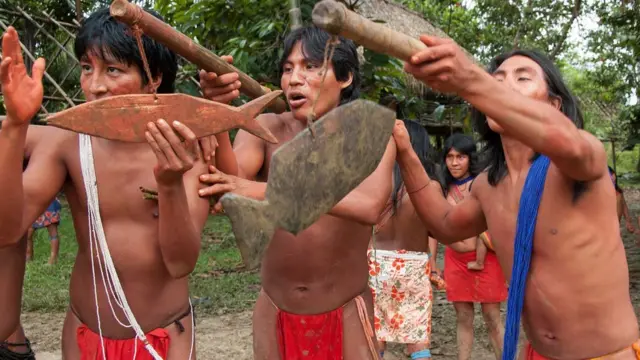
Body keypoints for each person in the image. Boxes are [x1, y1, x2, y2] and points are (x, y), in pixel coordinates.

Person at [0, 6, 235, 358]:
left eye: (113, 70)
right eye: (86, 68)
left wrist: (170, 184)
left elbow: (180, 263)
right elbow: (7, 230)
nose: (95, 86)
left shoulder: (192, 147)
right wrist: (16, 126)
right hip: (83, 335)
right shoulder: (68, 144)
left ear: (154, 77)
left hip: (166, 339)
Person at [394, 35, 639, 359]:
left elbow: (566, 141)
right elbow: (443, 224)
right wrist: (405, 152)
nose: (503, 89)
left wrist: (473, 81)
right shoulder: (487, 185)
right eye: (496, 82)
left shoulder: (583, 159)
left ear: (554, 105)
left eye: (522, 78)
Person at [198, 25, 396, 359]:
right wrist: (220, 116)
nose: (293, 79)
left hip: (347, 311)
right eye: (287, 69)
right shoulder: (264, 128)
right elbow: (228, 183)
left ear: (345, 77)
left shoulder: (369, 137)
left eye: (310, 67)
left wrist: (266, 191)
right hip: (274, 310)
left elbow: (369, 207)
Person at [367, 118, 442, 359]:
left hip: (375, 265)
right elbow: (438, 230)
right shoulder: (430, 188)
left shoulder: (378, 185)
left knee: (375, 337)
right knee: (417, 339)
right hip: (413, 266)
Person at [438, 133, 506, 360]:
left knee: (492, 316)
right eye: (450, 157)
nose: (454, 163)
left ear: (471, 158)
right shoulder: (440, 187)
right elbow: (432, 224)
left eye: (461, 157)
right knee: (463, 316)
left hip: (486, 258)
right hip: (454, 260)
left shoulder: (484, 184)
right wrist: (430, 261)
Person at [26, 195, 62, 264]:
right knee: (28, 233)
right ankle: (28, 256)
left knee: (53, 232)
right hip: (34, 204)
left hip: (49, 203)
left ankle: (53, 257)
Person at [608, 166, 636, 234]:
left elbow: (623, 204)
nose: (613, 177)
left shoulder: (618, 191)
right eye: (610, 175)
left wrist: (628, 221)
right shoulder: (599, 194)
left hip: (615, 228)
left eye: (613, 174)